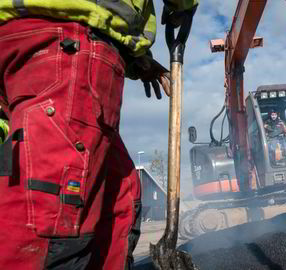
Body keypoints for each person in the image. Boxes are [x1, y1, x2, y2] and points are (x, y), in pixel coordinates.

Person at [0, 1, 197, 269]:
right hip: (67, 41)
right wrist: (181, 6)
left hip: (47, 43)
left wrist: (137, 59)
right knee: (54, 218)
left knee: (120, 197)